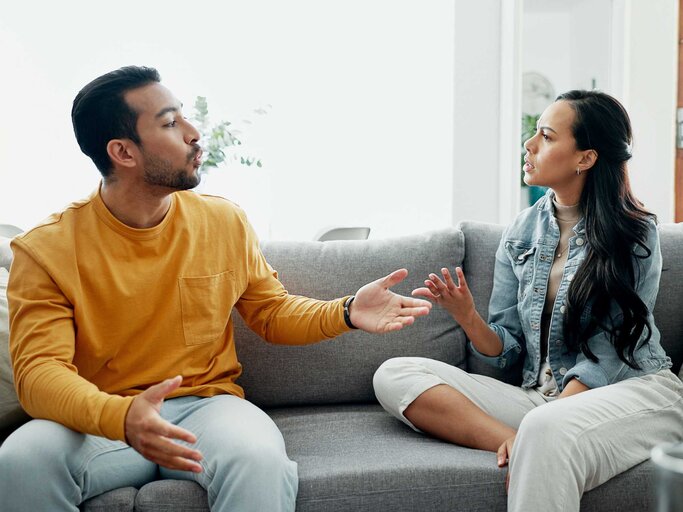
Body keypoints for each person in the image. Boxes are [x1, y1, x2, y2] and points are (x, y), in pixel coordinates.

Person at [0, 65, 432, 512]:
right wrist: (121, 416)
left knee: (258, 460)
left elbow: (271, 312)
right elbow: (39, 375)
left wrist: (345, 311)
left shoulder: (222, 221)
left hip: (207, 409)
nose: (192, 133)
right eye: (169, 123)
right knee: (21, 460)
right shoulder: (45, 250)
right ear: (123, 152)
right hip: (100, 419)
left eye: (184, 117)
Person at [373, 90, 683, 511]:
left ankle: (536, 435)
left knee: (547, 427)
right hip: (542, 398)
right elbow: (508, 349)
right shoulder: (520, 231)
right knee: (395, 374)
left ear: (585, 158)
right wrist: (469, 319)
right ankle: (513, 441)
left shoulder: (634, 232)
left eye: (547, 136)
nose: (530, 144)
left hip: (633, 391)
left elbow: (612, 351)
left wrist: (550, 418)